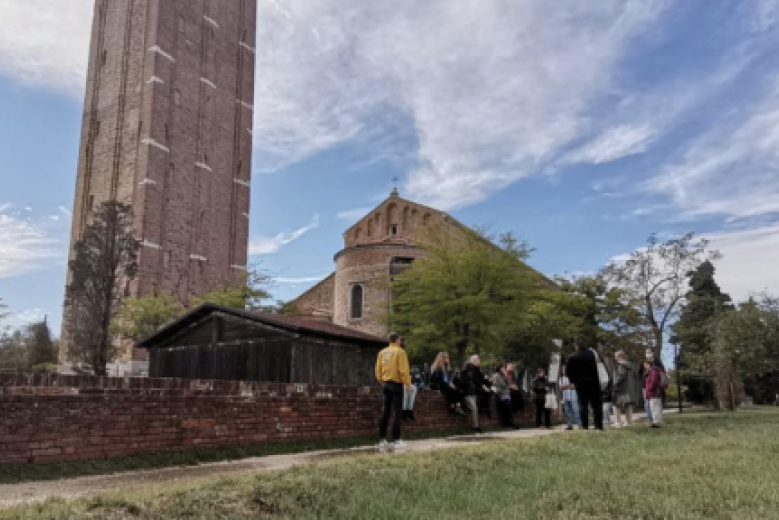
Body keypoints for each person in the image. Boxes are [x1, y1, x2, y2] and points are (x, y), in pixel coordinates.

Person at [375, 332, 412, 451]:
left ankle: (382, 439)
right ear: (396, 340)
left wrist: (382, 381)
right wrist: (408, 384)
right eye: (400, 340)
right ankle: (396, 439)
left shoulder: (382, 352)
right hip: (396, 384)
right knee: (397, 412)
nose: (401, 342)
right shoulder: (400, 352)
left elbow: (378, 371)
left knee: (385, 411)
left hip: (386, 384)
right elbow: (403, 370)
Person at [566, 343, 604, 431]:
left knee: (583, 404)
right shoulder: (594, 355)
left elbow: (568, 371)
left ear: (577, 346)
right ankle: (599, 425)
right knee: (596, 405)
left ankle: (585, 426)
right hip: (595, 382)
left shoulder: (572, 357)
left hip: (580, 383)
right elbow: (601, 366)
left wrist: (573, 380)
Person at [459, 355, 489, 433]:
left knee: (474, 408)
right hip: (467, 394)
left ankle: (475, 425)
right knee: (474, 408)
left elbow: (478, 380)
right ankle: (475, 426)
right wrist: (470, 383)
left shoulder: (472, 374)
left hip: (473, 393)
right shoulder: (464, 373)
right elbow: (462, 383)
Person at [612, 350, 637, 427]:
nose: (615, 358)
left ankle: (618, 422)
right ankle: (629, 422)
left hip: (621, 389)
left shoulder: (621, 365)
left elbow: (621, 376)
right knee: (627, 405)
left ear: (620, 357)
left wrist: (615, 384)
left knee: (616, 405)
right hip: (629, 388)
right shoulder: (630, 365)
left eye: (616, 357)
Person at [490, 363, 518, 429]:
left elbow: (508, 383)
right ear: (500, 369)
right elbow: (501, 385)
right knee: (507, 408)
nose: (504, 369)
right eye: (503, 368)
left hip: (506, 394)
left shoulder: (503, 375)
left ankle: (509, 423)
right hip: (501, 394)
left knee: (508, 408)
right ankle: (508, 423)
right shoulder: (496, 375)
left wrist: (506, 377)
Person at [399, 337, 418, 422]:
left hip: (403, 380)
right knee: (405, 389)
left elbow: (406, 372)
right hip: (397, 381)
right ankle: (403, 411)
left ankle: (409, 410)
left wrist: (408, 383)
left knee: (413, 388)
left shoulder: (403, 356)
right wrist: (407, 384)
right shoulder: (398, 355)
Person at [645, 359, 666, 429]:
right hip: (657, 391)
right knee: (657, 407)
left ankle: (656, 422)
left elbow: (654, 381)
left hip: (654, 392)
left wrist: (649, 389)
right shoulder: (659, 370)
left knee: (654, 408)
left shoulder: (654, 371)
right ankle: (658, 421)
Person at [559, 365, 581, 430]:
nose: (564, 371)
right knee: (568, 412)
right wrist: (569, 386)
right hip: (566, 397)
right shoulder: (561, 378)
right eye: (563, 370)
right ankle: (570, 425)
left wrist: (566, 386)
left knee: (576, 411)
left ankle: (580, 425)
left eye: (565, 369)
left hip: (573, 397)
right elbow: (561, 387)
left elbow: (575, 386)